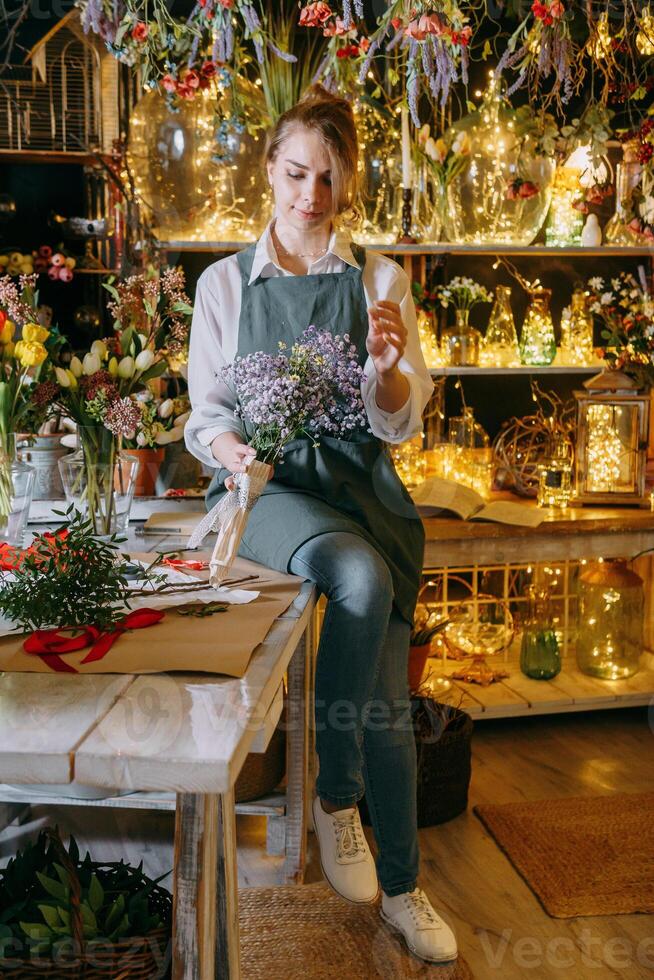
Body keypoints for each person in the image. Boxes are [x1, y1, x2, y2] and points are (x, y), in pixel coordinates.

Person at [185, 85, 458, 965]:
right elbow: (206, 414)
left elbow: (396, 420)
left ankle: (407, 889)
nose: (310, 196)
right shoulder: (225, 283)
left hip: (362, 492)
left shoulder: (379, 282)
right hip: (269, 496)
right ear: (269, 167)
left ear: (349, 185)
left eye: (330, 180)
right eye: (297, 173)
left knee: (386, 705)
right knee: (363, 577)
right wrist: (233, 454)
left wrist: (384, 368)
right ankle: (336, 802)